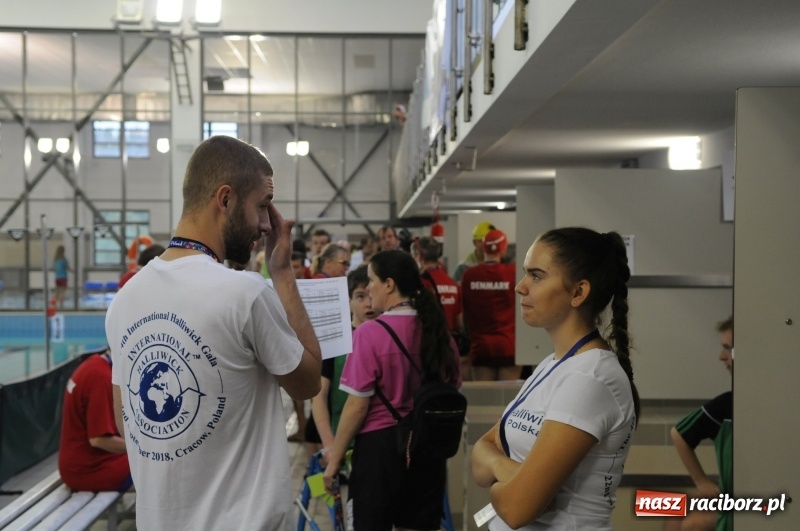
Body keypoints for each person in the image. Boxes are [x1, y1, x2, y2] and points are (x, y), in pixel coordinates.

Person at [105, 135, 322, 530]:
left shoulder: (124, 301)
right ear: (225, 199)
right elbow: (308, 382)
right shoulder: (246, 293)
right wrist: (283, 272)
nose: (264, 224)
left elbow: (127, 422)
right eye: (261, 205)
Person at [470, 227, 639, 530]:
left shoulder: (591, 379)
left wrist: (504, 486)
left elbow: (516, 508)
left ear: (578, 292)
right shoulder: (552, 364)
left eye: (536, 276)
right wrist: (508, 472)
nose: (520, 287)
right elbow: (481, 454)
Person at [323, 250, 461, 531]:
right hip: (427, 449)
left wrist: (334, 460)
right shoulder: (439, 333)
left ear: (389, 284)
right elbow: (452, 385)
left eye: (372, 280)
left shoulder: (369, 334)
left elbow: (357, 406)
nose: (369, 287)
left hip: (380, 450)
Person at [667, 316, 733, 531]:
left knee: (693, 525)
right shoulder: (726, 404)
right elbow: (679, 434)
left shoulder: (731, 405)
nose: (721, 357)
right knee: (674, 516)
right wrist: (701, 482)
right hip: (730, 498)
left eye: (728, 349)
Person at [312, 265, 376, 459]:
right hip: (341, 438)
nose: (368, 304)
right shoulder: (336, 340)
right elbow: (319, 397)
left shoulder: (387, 338)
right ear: (348, 302)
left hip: (376, 441)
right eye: (360, 297)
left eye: (370, 295)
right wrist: (330, 445)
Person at [58, 349, 132, 492]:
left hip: (74, 465)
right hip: (89, 470)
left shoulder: (93, 364)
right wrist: (142, 449)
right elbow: (98, 440)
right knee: (157, 470)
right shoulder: (102, 378)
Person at [461, 229, 519, 381]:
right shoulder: (514, 274)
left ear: (483, 248)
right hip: (509, 345)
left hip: (481, 348)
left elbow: (465, 313)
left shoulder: (469, 275)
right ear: (503, 249)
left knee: (483, 402)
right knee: (510, 401)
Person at [411, 236, 469, 379]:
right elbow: (460, 322)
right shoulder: (452, 283)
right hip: (449, 348)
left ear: (419, 256)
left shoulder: (419, 283)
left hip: (425, 349)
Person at [53, 244, 70, 309]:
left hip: (57, 277)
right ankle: (61, 306)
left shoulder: (55, 260)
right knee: (62, 292)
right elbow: (68, 267)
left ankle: (54, 305)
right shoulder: (64, 260)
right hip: (63, 277)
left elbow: (55, 268)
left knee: (57, 292)